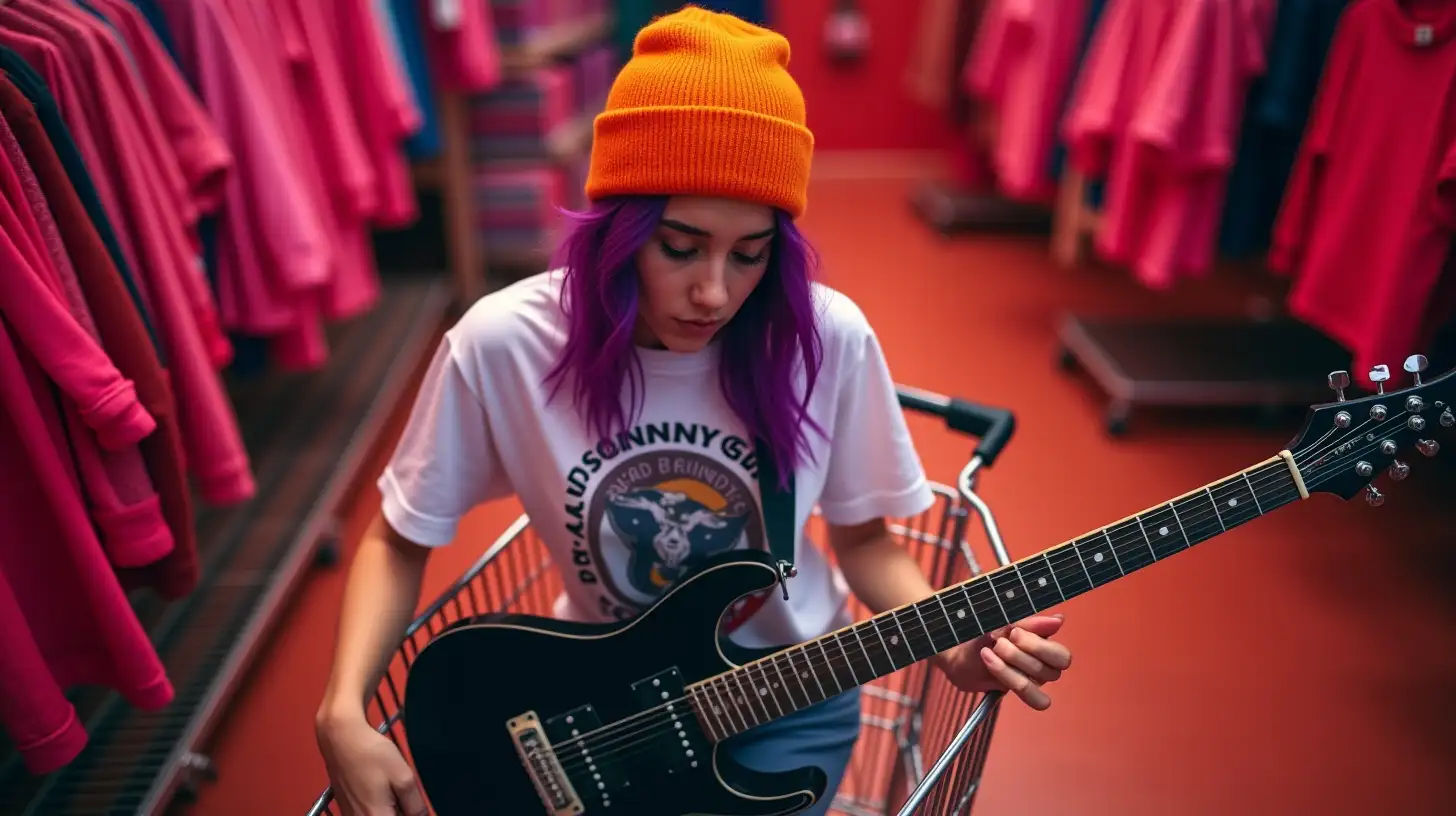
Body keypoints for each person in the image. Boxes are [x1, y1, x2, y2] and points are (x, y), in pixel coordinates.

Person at [314, 7, 1074, 816]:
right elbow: (399, 535)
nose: (714, 292)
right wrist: (342, 708)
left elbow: (860, 541)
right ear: (619, 229)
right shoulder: (503, 346)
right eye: (679, 246)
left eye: (750, 254)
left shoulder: (823, 338)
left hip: (791, 696)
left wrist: (950, 641)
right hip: (597, 702)